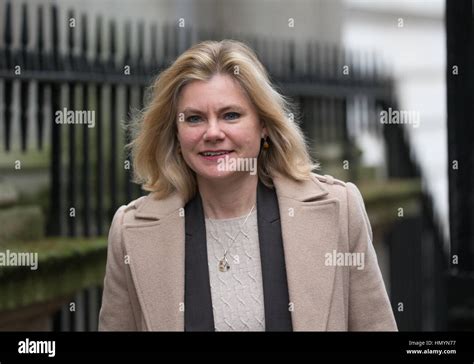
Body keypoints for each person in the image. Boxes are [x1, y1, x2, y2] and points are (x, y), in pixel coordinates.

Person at [98, 40, 397, 331]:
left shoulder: (338, 210)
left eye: (231, 115)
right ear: (176, 134)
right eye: (194, 118)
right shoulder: (131, 233)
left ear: (263, 125)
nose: (213, 132)